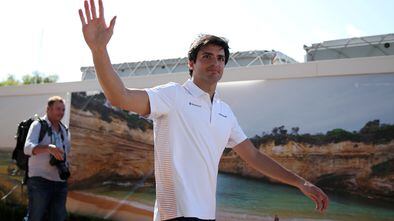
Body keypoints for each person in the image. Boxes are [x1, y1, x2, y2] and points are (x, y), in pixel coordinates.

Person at [78, 1, 329, 220]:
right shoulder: (173, 95)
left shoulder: (225, 112)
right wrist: (98, 50)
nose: (215, 62)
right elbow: (119, 96)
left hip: (206, 215)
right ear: (191, 63)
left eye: (220, 58)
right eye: (207, 56)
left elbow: (254, 156)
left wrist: (300, 182)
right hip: (174, 215)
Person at [24, 96, 71, 221]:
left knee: (59, 218)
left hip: (60, 182)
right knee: (36, 217)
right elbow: (27, 148)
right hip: (40, 181)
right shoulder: (38, 125)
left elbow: (66, 153)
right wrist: (49, 148)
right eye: (58, 109)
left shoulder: (64, 130)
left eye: (63, 110)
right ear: (48, 109)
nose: (61, 112)